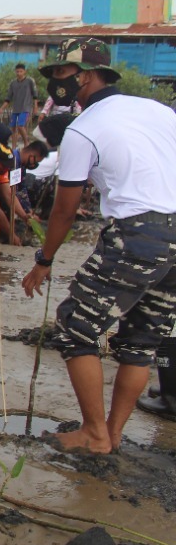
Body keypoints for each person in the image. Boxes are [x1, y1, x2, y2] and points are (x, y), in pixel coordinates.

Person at [21, 38, 176, 454]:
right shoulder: (158, 111)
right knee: (141, 341)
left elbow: (64, 211)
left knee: (75, 327)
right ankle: (112, 433)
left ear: (85, 77)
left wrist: (44, 259)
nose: (56, 85)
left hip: (140, 233)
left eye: (60, 75)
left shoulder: (84, 129)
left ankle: (94, 432)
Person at [0, 63, 38, 146]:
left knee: (20, 126)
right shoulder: (13, 83)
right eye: (17, 71)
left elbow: (35, 95)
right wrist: (2, 108)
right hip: (16, 108)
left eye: (21, 71)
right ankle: (13, 147)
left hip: (25, 107)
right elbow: (8, 98)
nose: (19, 73)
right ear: (15, 72)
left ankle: (26, 142)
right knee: (13, 127)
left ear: (24, 71)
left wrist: (35, 107)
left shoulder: (30, 81)